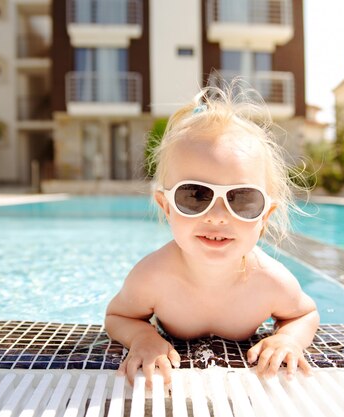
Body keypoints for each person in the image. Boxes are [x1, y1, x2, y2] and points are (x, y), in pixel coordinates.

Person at [105, 84, 319, 387]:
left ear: (265, 215)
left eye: (242, 199)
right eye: (195, 195)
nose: (218, 216)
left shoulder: (271, 281)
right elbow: (118, 316)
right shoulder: (152, 276)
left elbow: (304, 314)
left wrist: (288, 340)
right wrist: (142, 337)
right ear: (166, 207)